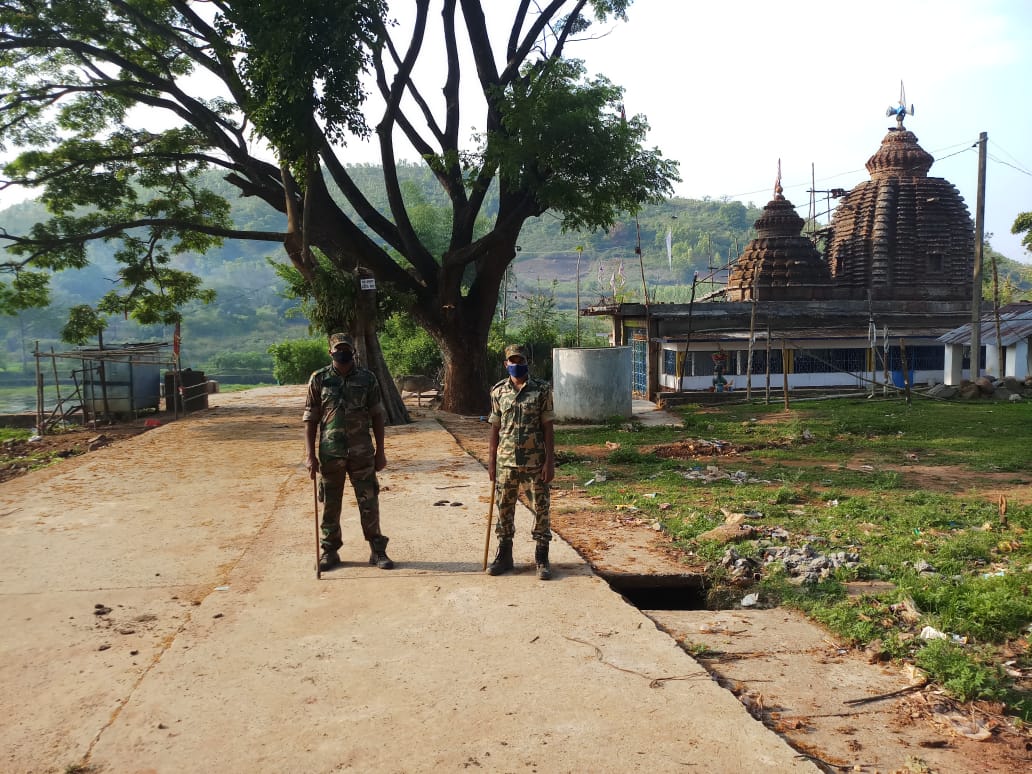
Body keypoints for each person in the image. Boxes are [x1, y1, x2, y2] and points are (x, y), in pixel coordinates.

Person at [303, 333, 393, 571]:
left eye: (346, 349)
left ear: (353, 351)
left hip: (362, 452)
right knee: (330, 504)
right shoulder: (319, 379)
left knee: (369, 501)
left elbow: (377, 415)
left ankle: (377, 549)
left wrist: (381, 452)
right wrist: (310, 455)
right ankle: (329, 551)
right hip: (331, 452)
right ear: (330, 352)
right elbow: (311, 418)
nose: (342, 353)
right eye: (338, 349)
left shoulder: (367, 378)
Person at [486, 344, 556, 579]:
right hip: (506, 462)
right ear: (506, 364)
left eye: (520, 360)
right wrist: (492, 461)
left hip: (535, 462)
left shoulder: (542, 390)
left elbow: (548, 427)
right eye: (512, 361)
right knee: (504, 509)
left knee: (541, 509)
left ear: (527, 362)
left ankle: (541, 557)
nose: (516, 364)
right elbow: (495, 428)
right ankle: (504, 556)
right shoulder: (498, 391)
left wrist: (549, 461)